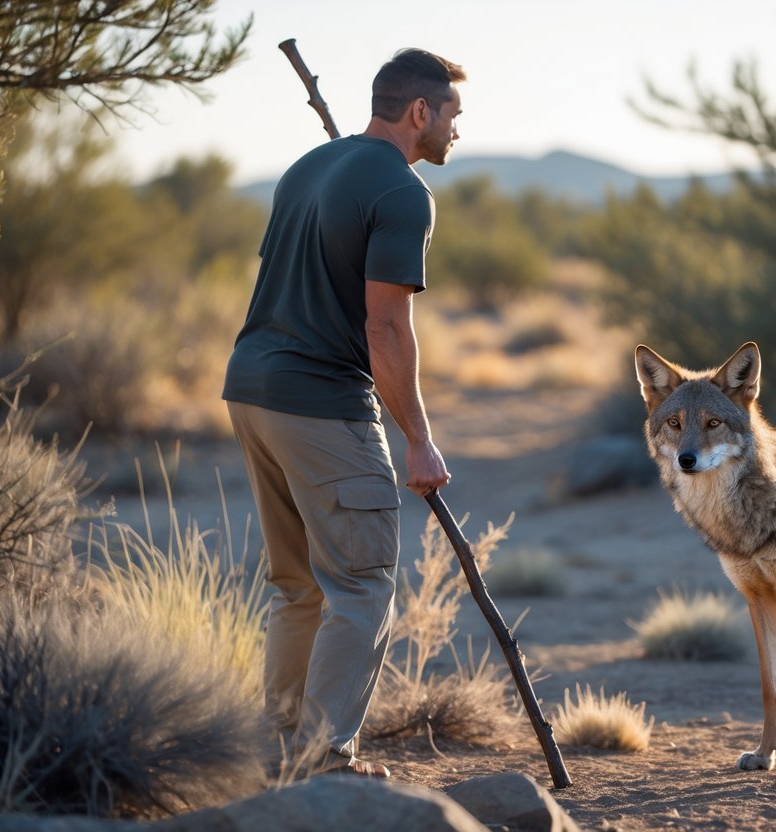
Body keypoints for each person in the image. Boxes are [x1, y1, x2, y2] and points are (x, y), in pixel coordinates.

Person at [223, 48, 464, 778]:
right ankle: (324, 759)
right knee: (360, 585)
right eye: (452, 114)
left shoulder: (306, 168)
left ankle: (280, 750)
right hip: (323, 403)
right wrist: (418, 440)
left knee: (298, 586)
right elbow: (384, 326)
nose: (457, 130)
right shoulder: (403, 193)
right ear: (419, 111)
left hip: (251, 389)